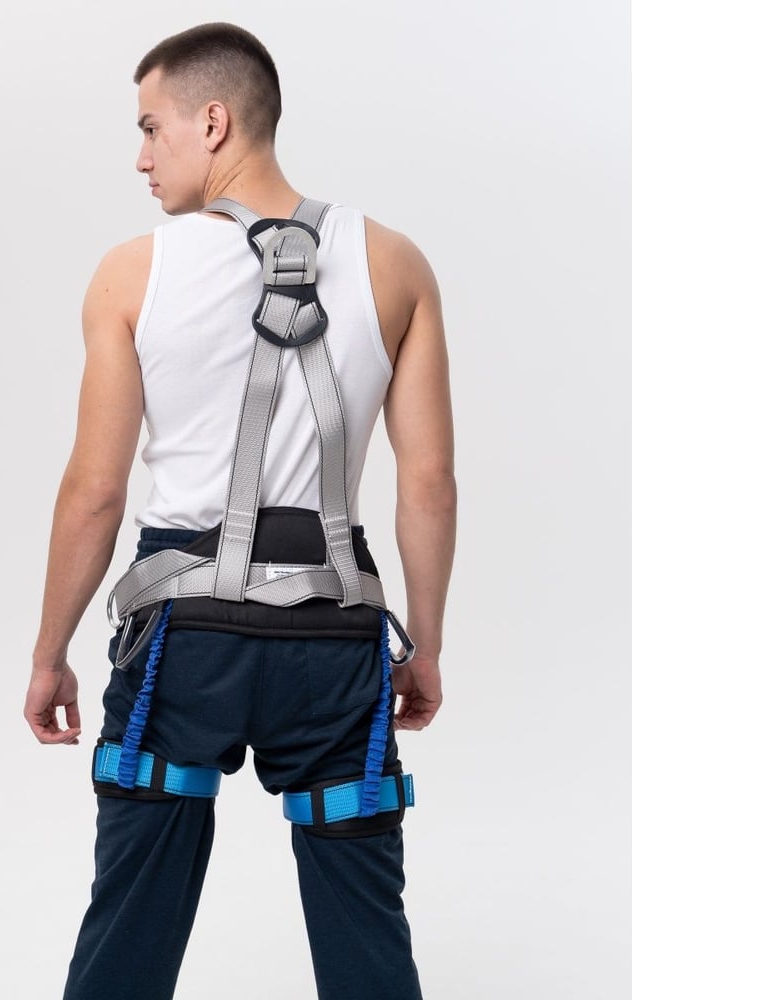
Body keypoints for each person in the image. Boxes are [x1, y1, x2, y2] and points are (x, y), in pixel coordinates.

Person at [23, 22, 456, 1000]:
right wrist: (424, 647)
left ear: (211, 122)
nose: (141, 158)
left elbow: (95, 490)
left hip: (183, 645)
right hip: (334, 642)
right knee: (367, 943)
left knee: (130, 932)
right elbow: (428, 481)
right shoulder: (395, 265)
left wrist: (49, 653)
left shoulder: (132, 273)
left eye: (151, 128)